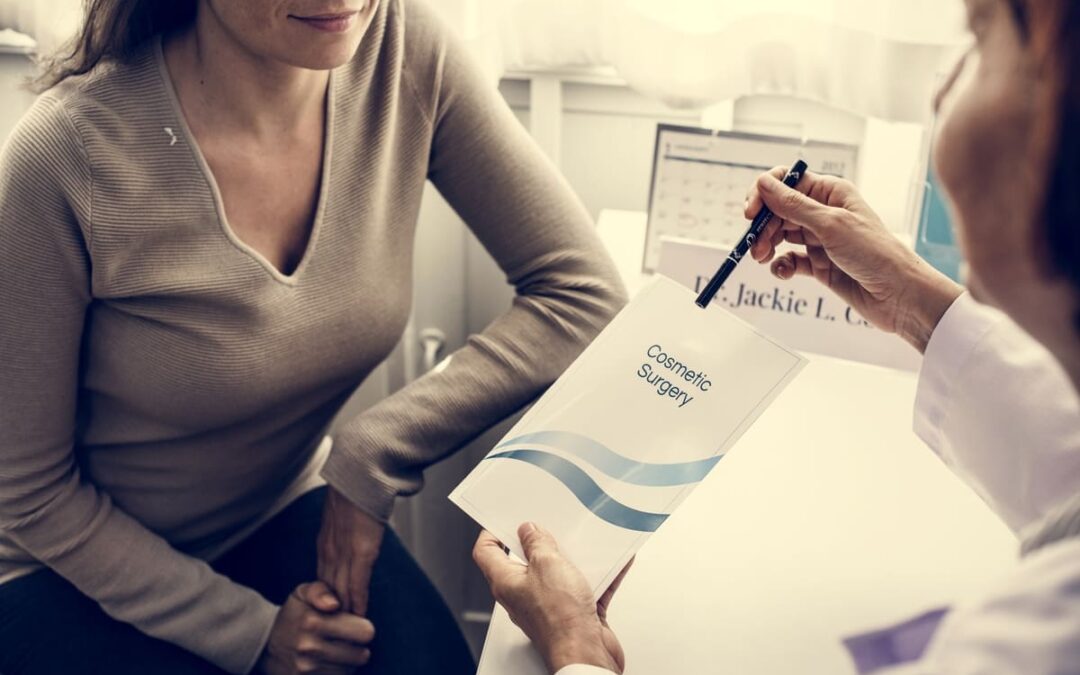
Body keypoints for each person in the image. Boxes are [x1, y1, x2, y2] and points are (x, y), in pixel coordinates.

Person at [0, 0, 627, 674]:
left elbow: (584, 293)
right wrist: (250, 631)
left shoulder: (403, 49)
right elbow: (26, 493)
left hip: (275, 505)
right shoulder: (64, 156)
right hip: (65, 565)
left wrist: (372, 452)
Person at [473, 0, 1080, 672]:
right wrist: (910, 300)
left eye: (979, 39)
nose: (940, 91)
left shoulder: (1030, 645)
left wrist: (576, 649)